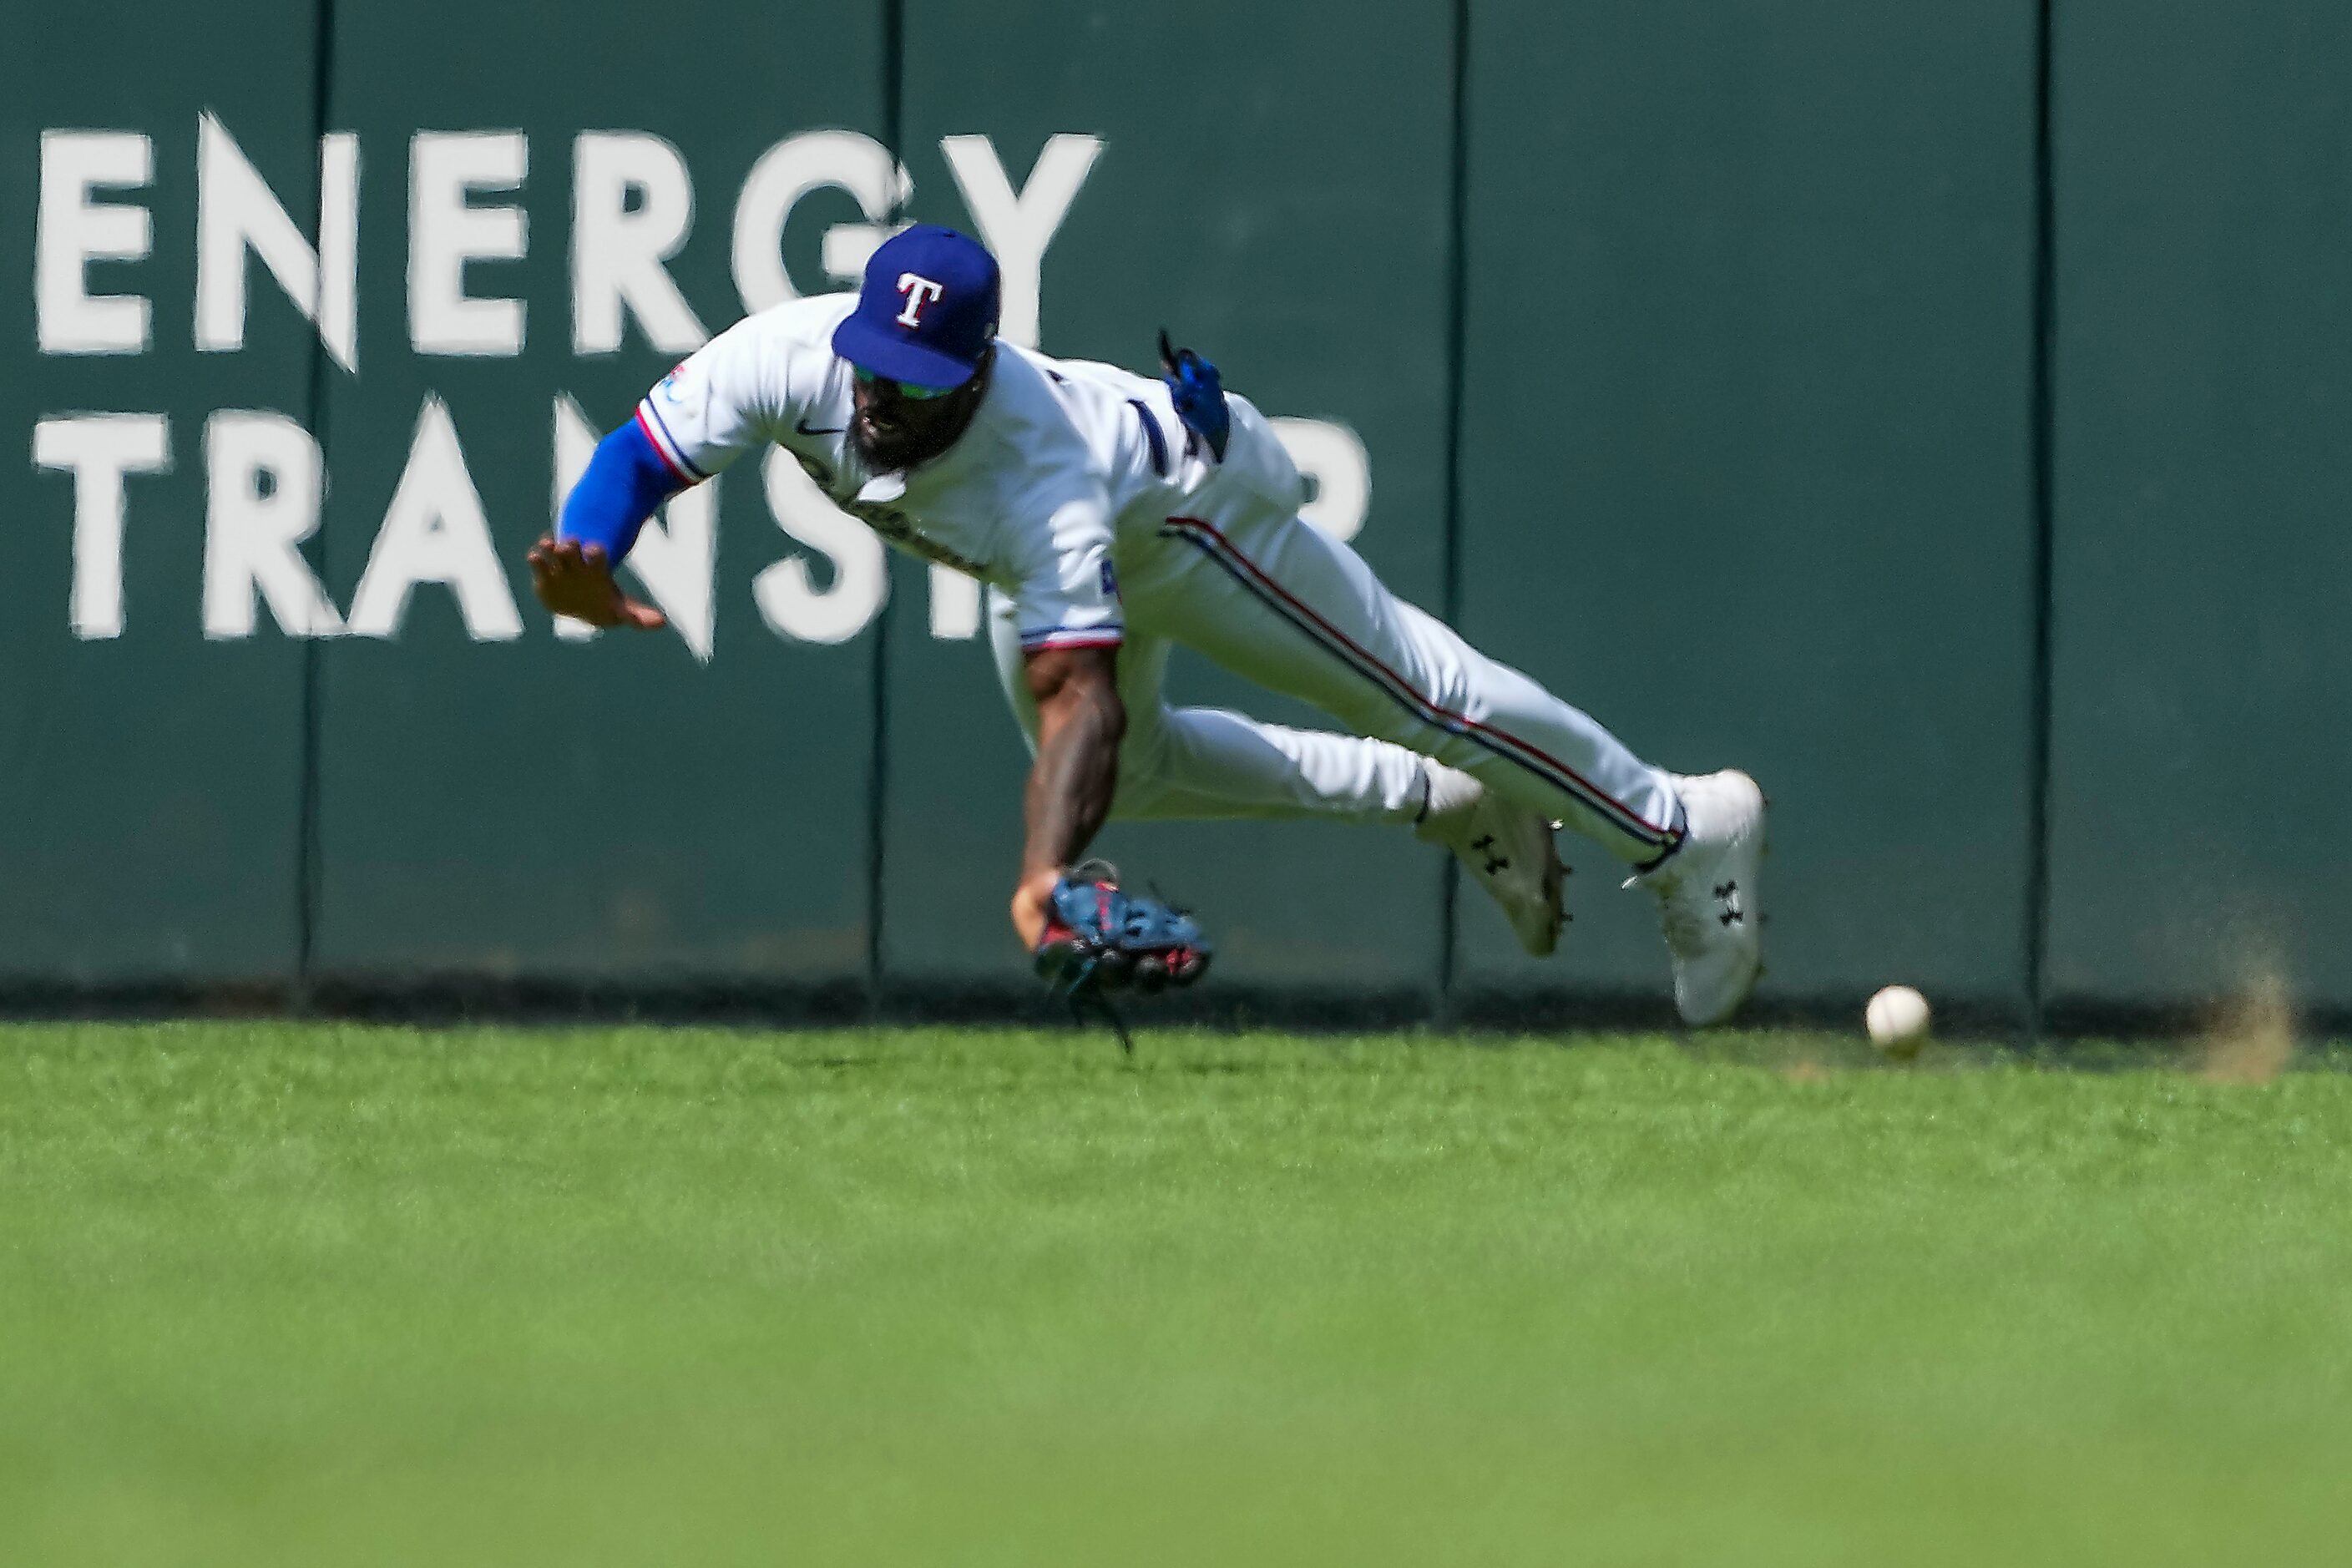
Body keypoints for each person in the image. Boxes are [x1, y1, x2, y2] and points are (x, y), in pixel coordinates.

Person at [529, 225, 1767, 1024]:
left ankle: (1682, 827)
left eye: (912, 374)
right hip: (1088, 538)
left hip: (1191, 509)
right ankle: (1442, 802)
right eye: (869, 359)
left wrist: (1041, 881)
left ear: (972, 368)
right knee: (1153, 777)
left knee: (1419, 692)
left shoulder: (1036, 473)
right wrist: (592, 552)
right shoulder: (792, 355)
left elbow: (1084, 699)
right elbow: (641, 455)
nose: (877, 390)